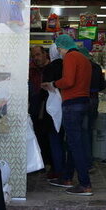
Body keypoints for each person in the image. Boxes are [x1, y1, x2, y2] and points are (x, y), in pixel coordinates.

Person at [42, 34, 93, 196]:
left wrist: (53, 84)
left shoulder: (70, 57)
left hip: (72, 104)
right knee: (74, 143)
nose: (59, 52)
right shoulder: (84, 58)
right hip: (84, 101)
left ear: (62, 47)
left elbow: (68, 81)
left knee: (75, 144)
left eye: (59, 49)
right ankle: (67, 178)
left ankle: (85, 184)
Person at [42, 43, 69, 184]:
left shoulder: (49, 68)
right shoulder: (67, 66)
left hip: (52, 109)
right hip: (68, 107)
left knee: (55, 139)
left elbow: (43, 87)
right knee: (68, 141)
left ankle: (58, 170)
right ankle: (68, 171)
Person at [28, 46, 52, 168]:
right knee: (37, 133)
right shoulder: (31, 69)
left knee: (49, 134)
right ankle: (40, 161)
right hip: (35, 104)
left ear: (45, 54)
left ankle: (49, 160)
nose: (35, 58)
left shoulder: (52, 67)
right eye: (33, 56)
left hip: (50, 105)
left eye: (38, 55)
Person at [79, 45, 104, 162]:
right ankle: (89, 158)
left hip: (83, 100)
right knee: (89, 128)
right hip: (94, 100)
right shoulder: (97, 67)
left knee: (83, 130)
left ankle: (85, 158)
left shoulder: (81, 67)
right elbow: (102, 86)